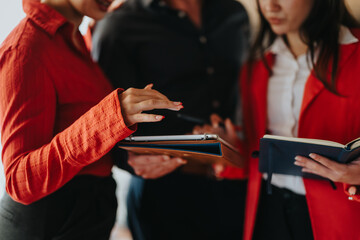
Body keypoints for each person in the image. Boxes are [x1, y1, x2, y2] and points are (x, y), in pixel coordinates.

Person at [0, 0, 186, 239]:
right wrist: (109, 118)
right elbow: (20, 181)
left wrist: (132, 158)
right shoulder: (25, 48)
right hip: (47, 224)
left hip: (86, 216)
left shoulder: (77, 39)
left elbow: (83, 138)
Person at [196, 0, 360, 239]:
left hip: (340, 216)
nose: (269, 6)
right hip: (268, 211)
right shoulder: (256, 63)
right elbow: (257, 152)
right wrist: (226, 148)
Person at [91, 0, 250, 239]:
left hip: (234, 181)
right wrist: (131, 160)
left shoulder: (235, 13)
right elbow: (104, 123)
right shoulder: (119, 25)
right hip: (163, 193)